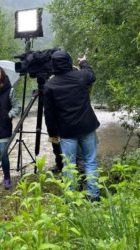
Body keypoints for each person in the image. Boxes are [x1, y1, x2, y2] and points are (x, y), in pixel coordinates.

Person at [43, 51, 100, 201]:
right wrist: (83, 62)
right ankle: (93, 196)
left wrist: (52, 134)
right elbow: (91, 74)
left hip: (67, 131)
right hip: (87, 127)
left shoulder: (50, 85)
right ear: (69, 61)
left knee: (69, 166)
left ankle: (72, 199)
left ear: (53, 65)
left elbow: (48, 114)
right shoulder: (81, 76)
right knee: (90, 161)